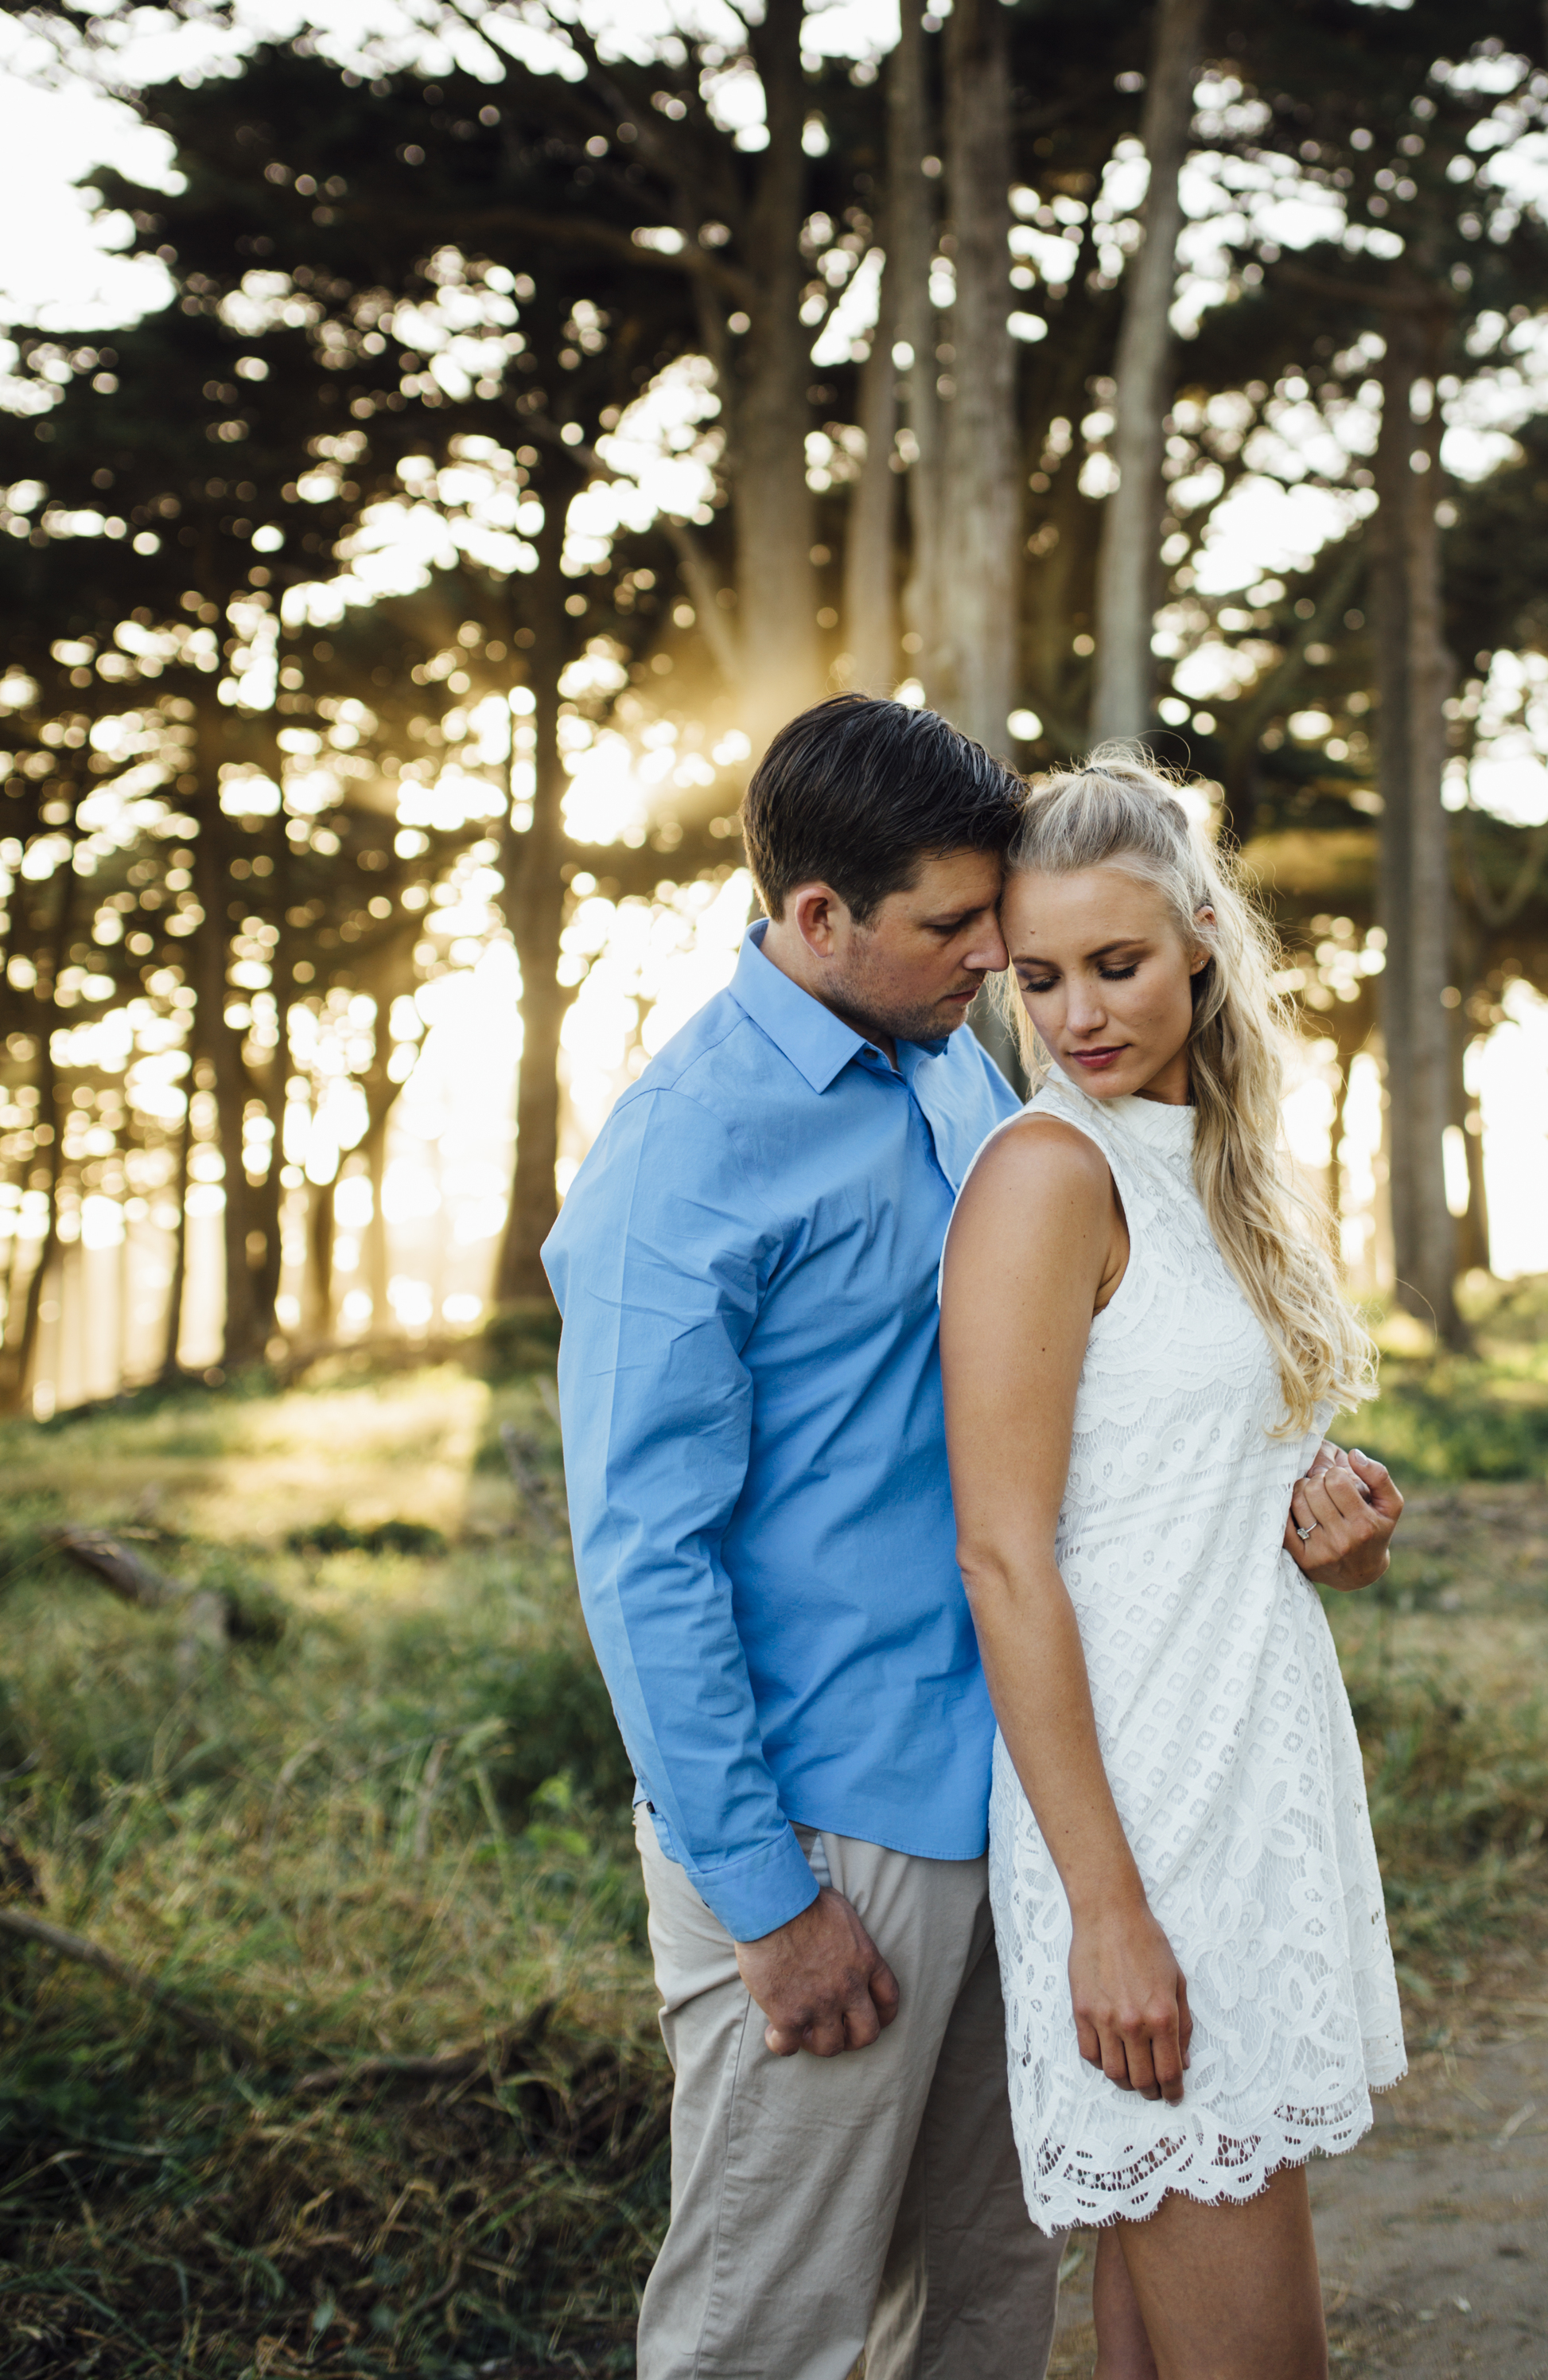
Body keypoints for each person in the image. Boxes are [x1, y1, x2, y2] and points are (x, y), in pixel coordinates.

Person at [545, 695, 1065, 2380]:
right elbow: (645, 1556)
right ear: (815, 916)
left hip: (1005, 1790)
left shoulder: (951, 1067)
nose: (994, 952)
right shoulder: (682, 1152)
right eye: (951, 924)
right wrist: (767, 1904)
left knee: (988, 2299)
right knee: (765, 2331)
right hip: (823, 1830)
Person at [941, 750, 1406, 2380]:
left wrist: (1331, 1527)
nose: (1075, 1014)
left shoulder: (1216, 1170)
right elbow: (1004, 1556)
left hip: (1252, 1778)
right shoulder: (1042, 1174)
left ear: (1199, 939)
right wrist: (1106, 1911)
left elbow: (1207, 1498)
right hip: (1136, 1815)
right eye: (1038, 976)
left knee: (1163, 2331)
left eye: (1115, 965)